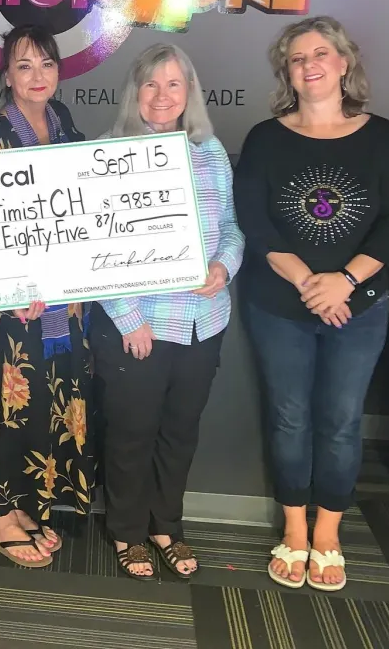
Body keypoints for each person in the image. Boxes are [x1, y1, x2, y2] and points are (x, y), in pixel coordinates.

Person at [234, 16, 389, 591]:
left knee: (340, 420)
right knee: (289, 416)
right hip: (278, 304)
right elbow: (254, 222)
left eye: (320, 54)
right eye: (296, 58)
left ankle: (328, 533)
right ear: (286, 73)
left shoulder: (381, 136)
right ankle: (294, 528)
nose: (309, 65)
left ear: (343, 62)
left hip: (358, 306)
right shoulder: (265, 138)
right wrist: (313, 283)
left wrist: (347, 282)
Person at [87, 43, 244, 581]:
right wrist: (129, 318)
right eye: (150, 84)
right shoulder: (107, 153)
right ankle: (127, 531)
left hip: (202, 321)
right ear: (134, 91)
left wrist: (223, 266)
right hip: (139, 324)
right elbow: (93, 246)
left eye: (173, 84)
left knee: (180, 432)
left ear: (189, 91)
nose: (161, 95)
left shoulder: (210, 151)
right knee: (131, 434)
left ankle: (166, 526)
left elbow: (232, 227)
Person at [0, 24, 92, 568]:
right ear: (6, 76)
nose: (37, 75)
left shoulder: (62, 121)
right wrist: (13, 288)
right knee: (12, 404)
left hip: (63, 302)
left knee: (44, 403)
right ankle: (0, 519)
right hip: (13, 309)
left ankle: (23, 507)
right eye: (24, 65)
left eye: (46, 63)